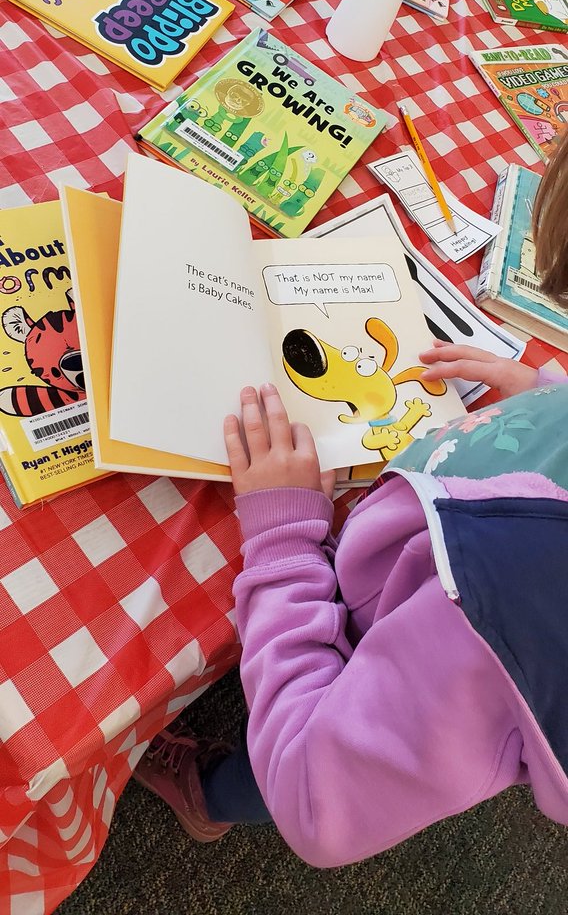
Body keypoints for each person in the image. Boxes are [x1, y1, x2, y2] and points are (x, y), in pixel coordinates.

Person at [134, 134, 568, 861]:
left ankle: (210, 793)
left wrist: (282, 537)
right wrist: (543, 396)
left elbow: (317, 800)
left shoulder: (515, 593)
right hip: (426, 584)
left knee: (273, 772)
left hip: (395, 638)